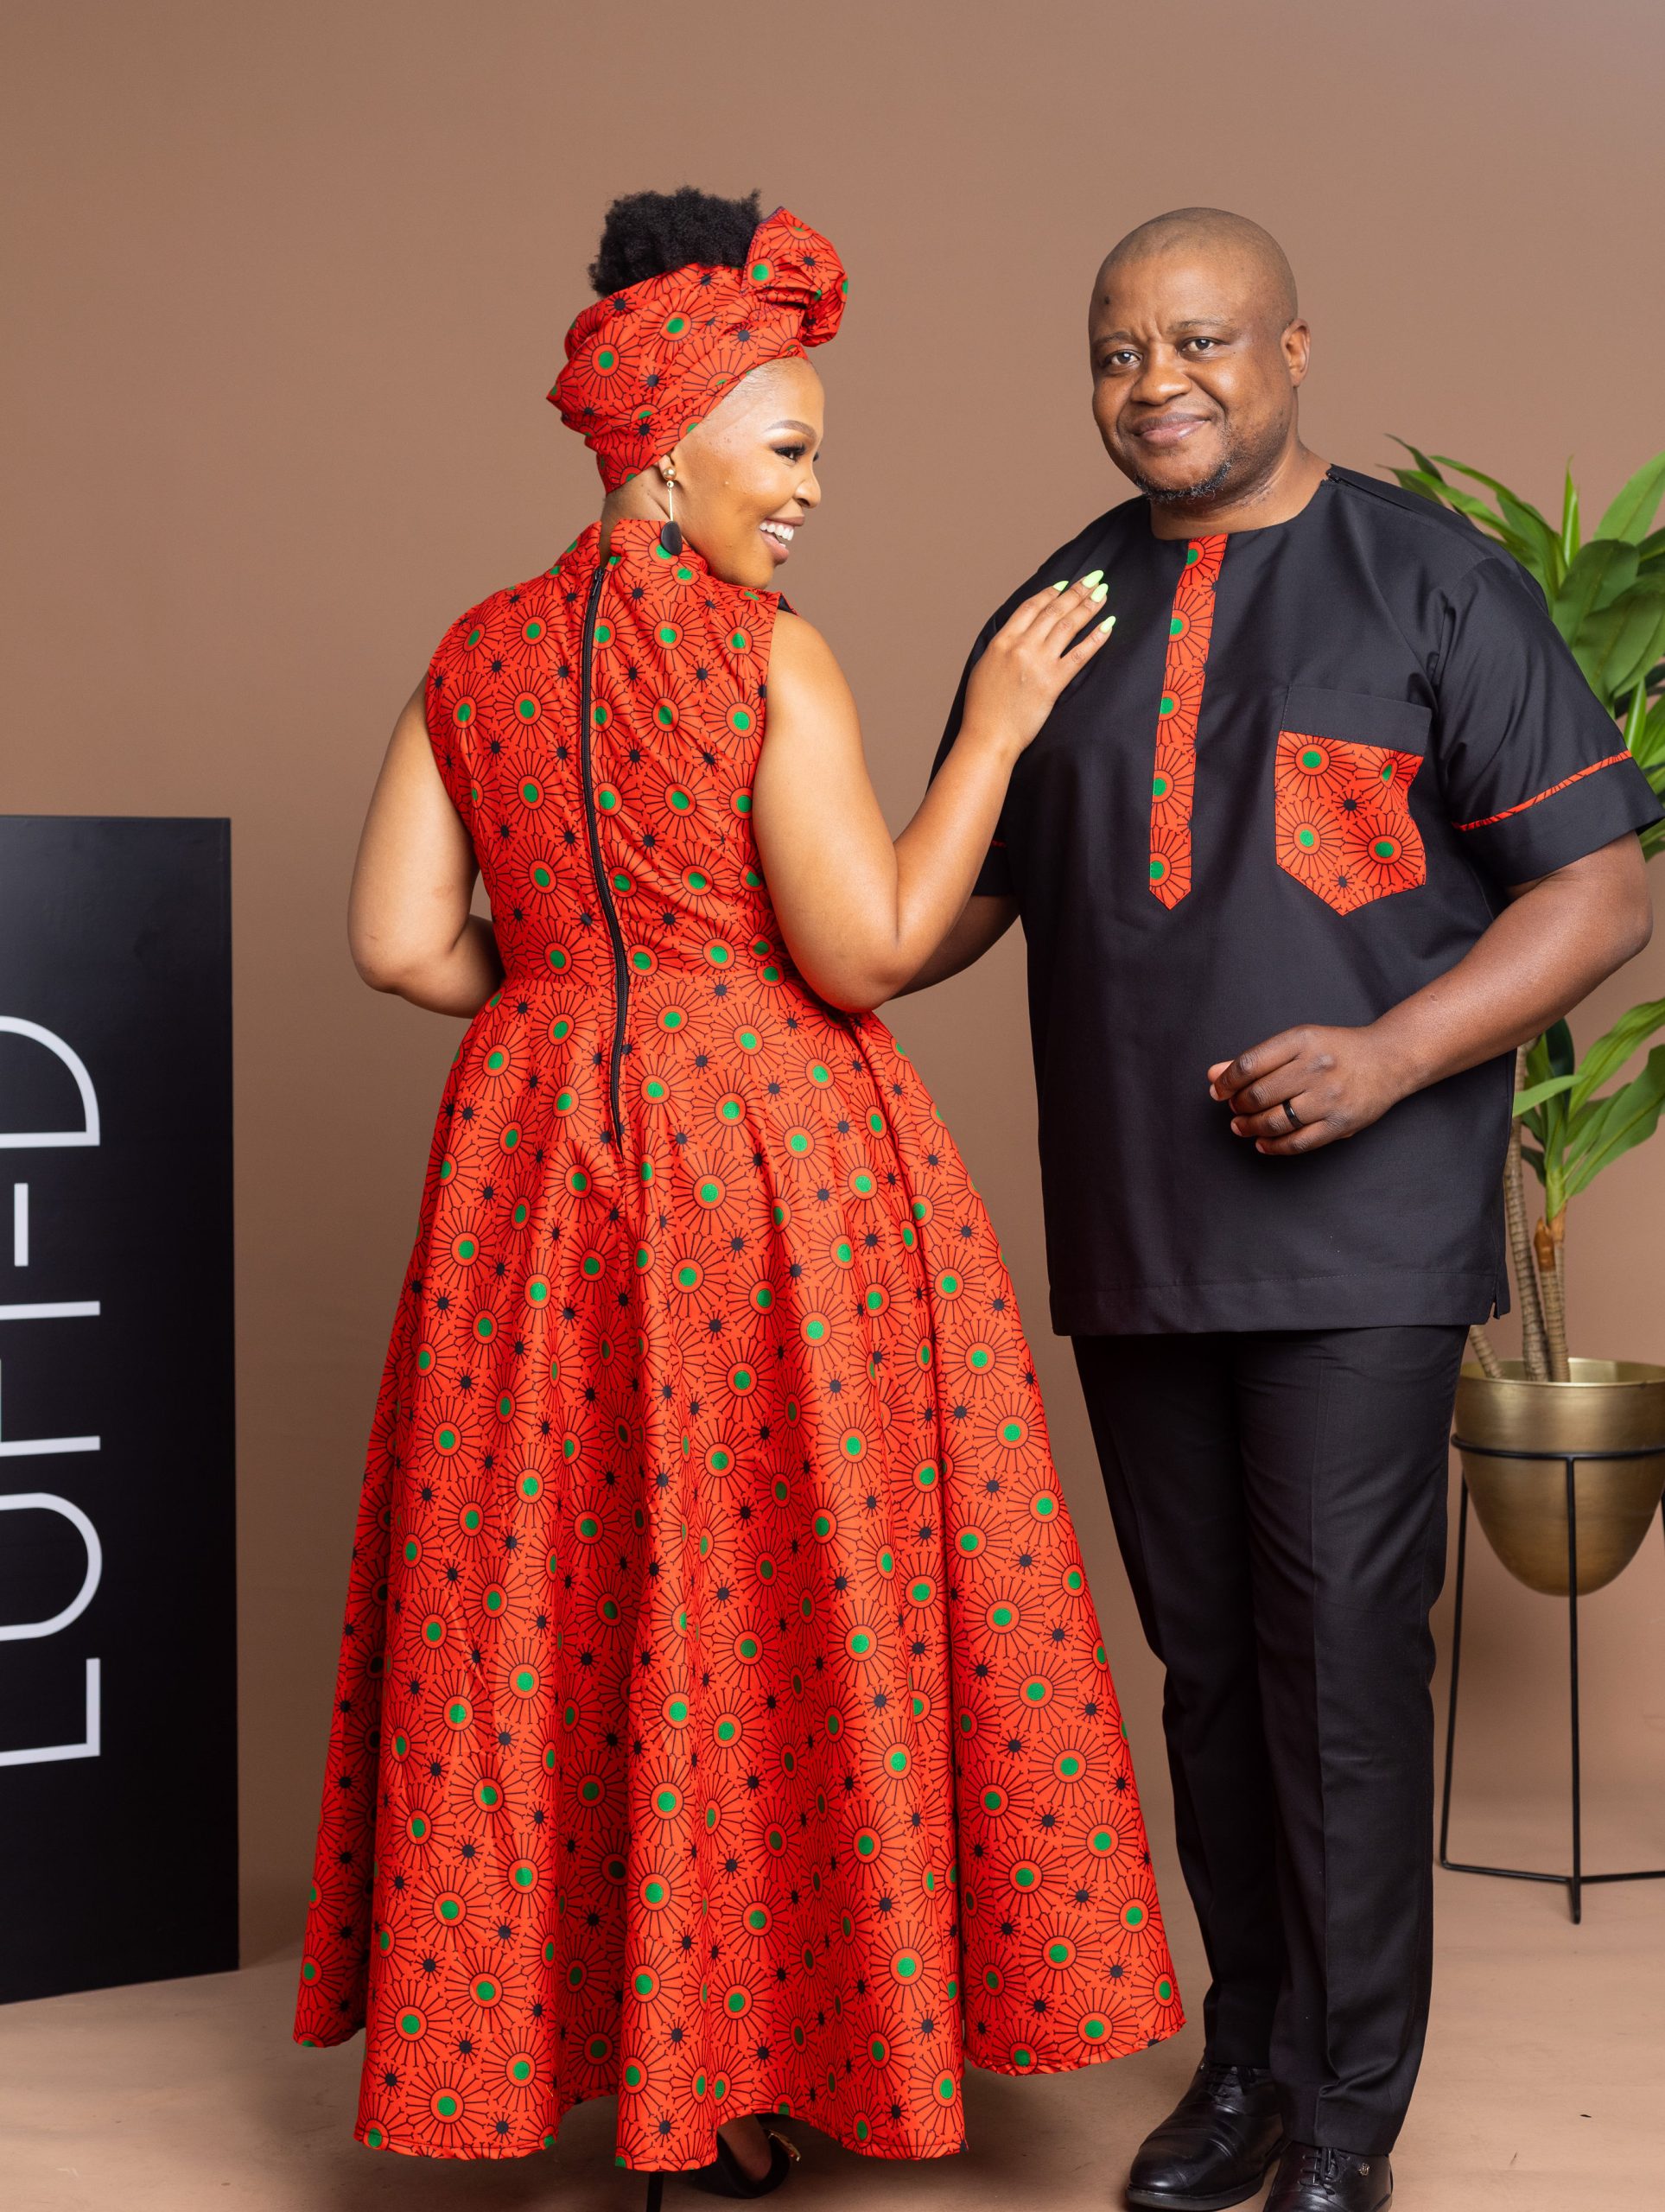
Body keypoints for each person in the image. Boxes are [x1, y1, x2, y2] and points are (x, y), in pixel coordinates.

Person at [293, 188, 1182, 2194]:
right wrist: (996, 731)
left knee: (561, 1593)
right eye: (783, 449)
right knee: (781, 1595)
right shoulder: (768, 657)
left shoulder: (474, 654)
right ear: (665, 441)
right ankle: (761, 2053)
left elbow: (395, 939)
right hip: (772, 1164)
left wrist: (569, 997)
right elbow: (863, 946)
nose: (805, 493)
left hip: (533, 1161)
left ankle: (609, 2065)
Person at [917, 207, 1659, 2212]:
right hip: (1136, 1235)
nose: (1154, 381)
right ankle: (1239, 2060)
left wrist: (1392, 1053)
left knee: (1336, 1664)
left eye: (1199, 340)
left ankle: (1344, 2113)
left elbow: (1600, 890)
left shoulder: (1432, 581)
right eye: (1116, 351)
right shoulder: (1056, 611)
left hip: (1359, 1234)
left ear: (1294, 350)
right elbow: (931, 905)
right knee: (1210, 1672)